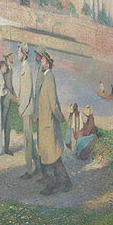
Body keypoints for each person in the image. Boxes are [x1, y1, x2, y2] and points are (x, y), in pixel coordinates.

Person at [36, 49, 71, 195]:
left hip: (49, 124)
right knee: (50, 155)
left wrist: (59, 116)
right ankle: (62, 182)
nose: (40, 62)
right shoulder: (46, 77)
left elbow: (53, 103)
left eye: (43, 60)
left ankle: (55, 184)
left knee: (52, 156)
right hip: (45, 122)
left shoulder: (49, 78)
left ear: (48, 64)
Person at [17, 43, 40, 179]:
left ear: (24, 54)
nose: (17, 55)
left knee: (27, 140)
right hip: (26, 107)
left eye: (19, 53)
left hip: (27, 109)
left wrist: (21, 108)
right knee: (29, 138)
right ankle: (37, 163)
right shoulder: (23, 67)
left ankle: (30, 170)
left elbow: (27, 92)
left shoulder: (26, 68)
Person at [0, 51, 16, 154]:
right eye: (11, 56)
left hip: (9, 100)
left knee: (8, 124)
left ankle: (6, 148)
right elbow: (3, 85)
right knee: (1, 123)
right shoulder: (5, 69)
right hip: (4, 100)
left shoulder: (11, 69)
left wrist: (15, 94)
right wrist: (10, 94)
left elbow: (11, 85)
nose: (12, 57)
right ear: (7, 58)